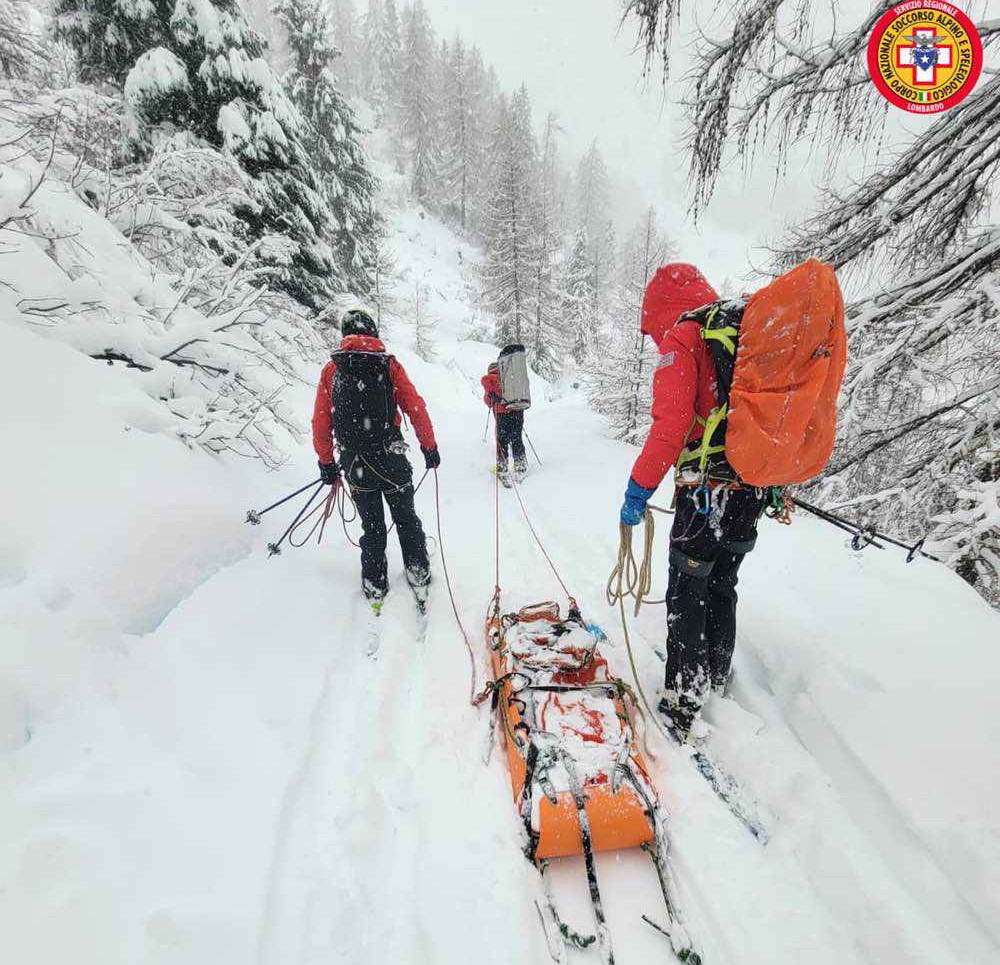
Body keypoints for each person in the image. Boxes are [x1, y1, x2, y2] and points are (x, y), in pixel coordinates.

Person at [619, 264, 766, 741]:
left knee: (688, 589)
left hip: (704, 493)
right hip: (751, 488)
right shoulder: (743, 332)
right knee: (723, 583)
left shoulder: (685, 337)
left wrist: (638, 489)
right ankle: (716, 675)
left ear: (662, 310)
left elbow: (671, 426)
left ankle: (683, 702)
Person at [312, 308, 440, 609]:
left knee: (372, 526)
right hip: (391, 459)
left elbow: (321, 422)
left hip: (355, 463)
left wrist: (326, 462)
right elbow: (415, 406)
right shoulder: (388, 365)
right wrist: (429, 446)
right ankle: (418, 571)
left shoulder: (332, 370)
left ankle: (375, 582)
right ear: (374, 332)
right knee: (406, 518)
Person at [482, 360, 527, 483]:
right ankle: (520, 466)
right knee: (517, 438)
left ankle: (502, 467)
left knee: (502, 441)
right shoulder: (510, 377)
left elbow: (488, 402)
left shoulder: (491, 380)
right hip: (517, 411)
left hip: (502, 414)